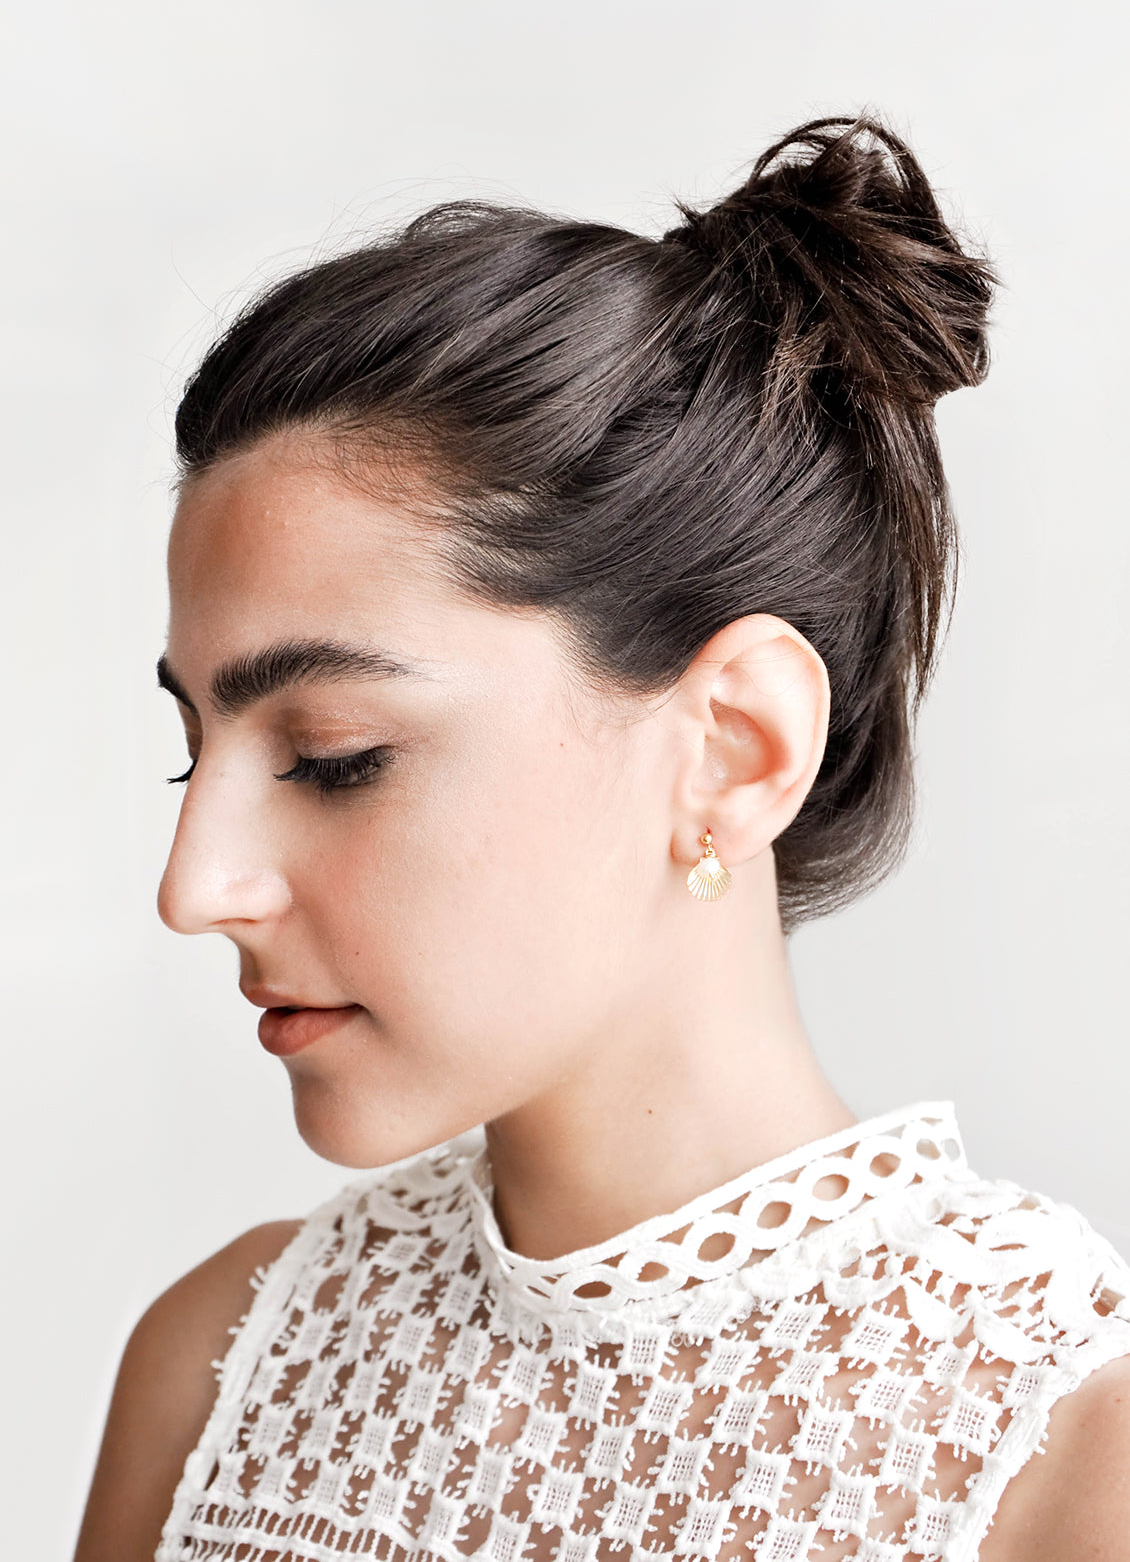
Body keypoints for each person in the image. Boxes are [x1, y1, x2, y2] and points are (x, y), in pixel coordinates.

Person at [74, 114, 1130, 1562]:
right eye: (193, 750)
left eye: (332, 758)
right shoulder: (220, 1371)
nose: (195, 888)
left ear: (733, 747)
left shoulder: (1065, 1460)